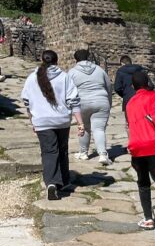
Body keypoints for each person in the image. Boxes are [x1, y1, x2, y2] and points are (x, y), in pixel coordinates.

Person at [21, 49, 84, 201]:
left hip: (42, 121)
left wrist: (33, 122)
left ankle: (51, 183)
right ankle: (64, 181)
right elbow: (73, 100)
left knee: (49, 152)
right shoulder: (64, 77)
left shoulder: (32, 78)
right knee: (62, 150)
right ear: (56, 61)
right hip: (61, 120)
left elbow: (27, 102)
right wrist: (80, 123)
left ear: (42, 60)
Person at [125, 71, 155, 234]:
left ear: (133, 86)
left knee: (143, 182)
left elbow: (130, 125)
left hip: (136, 146)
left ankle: (148, 219)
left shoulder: (130, 103)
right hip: (153, 144)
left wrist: (130, 144)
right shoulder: (153, 96)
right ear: (148, 82)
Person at [69, 49, 113, 165]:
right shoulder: (100, 70)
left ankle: (83, 153)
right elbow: (108, 86)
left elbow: (68, 90)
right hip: (101, 100)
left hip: (82, 102)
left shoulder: (72, 72)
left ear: (76, 59)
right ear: (89, 57)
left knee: (84, 127)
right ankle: (103, 154)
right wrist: (108, 101)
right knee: (99, 129)